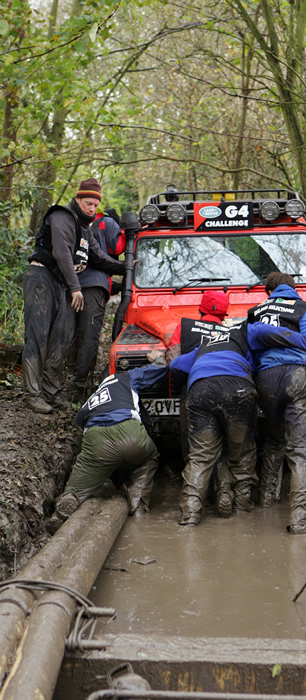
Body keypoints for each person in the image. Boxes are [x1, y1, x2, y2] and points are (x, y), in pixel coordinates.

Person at [22, 178, 125, 414]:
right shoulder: (62, 216)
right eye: (88, 203)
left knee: (62, 336)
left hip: (61, 285)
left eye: (95, 206)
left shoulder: (85, 229)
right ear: (77, 199)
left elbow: (99, 258)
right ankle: (32, 393)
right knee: (38, 335)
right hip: (41, 277)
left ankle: (52, 391)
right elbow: (61, 253)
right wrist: (76, 288)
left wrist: (128, 266)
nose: (92, 209)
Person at [46, 359, 168, 534]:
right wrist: (158, 359)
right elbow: (159, 370)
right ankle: (138, 502)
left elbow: (94, 445)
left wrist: (118, 482)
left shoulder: (91, 400)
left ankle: (65, 507)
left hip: (95, 441)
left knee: (76, 488)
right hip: (129, 432)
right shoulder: (125, 377)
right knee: (150, 457)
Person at [246, 272, 306, 535]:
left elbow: (250, 350)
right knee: (301, 450)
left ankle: (266, 502)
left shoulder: (255, 312)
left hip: (266, 378)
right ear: (293, 288)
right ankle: (299, 520)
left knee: (274, 439)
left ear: (269, 292)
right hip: (300, 375)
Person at [169, 320, 258, 527]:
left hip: (201, 389)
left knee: (201, 456)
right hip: (237, 387)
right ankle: (242, 505)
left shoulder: (205, 346)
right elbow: (255, 366)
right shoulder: (243, 339)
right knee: (241, 451)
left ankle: (190, 513)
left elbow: (175, 365)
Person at [167, 290, 235, 517]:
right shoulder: (231, 332)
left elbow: (173, 359)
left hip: (193, 388)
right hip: (227, 387)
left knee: (195, 447)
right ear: (225, 314)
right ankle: (224, 492)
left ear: (200, 309)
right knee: (222, 443)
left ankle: (198, 499)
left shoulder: (184, 328)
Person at [65, 208, 126, 403]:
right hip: (92, 287)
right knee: (88, 337)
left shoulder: (80, 224)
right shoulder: (108, 223)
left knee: (70, 334)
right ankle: (79, 388)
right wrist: (125, 231)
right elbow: (117, 248)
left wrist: (116, 287)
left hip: (70, 283)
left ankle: (65, 382)